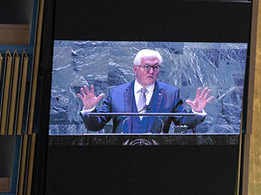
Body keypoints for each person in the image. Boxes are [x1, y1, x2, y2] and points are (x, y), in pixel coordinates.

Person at [77, 49, 212, 134]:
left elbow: (182, 122)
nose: (151, 71)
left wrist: (196, 112)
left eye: (155, 67)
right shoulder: (116, 93)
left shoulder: (170, 93)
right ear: (135, 69)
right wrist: (90, 109)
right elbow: (95, 126)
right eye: (146, 66)